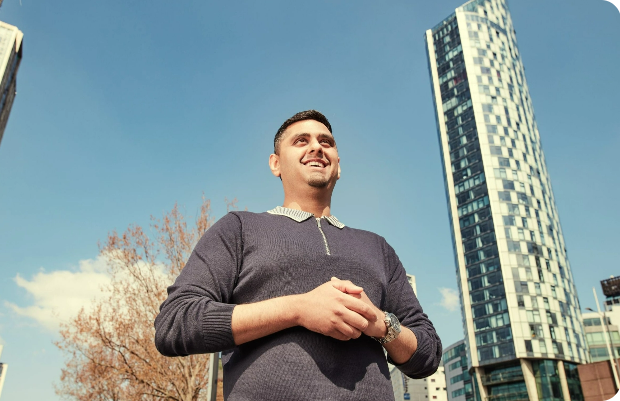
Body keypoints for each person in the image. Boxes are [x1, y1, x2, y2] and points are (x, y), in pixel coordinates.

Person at [155, 110, 442, 400]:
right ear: (275, 164)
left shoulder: (378, 247)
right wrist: (299, 310)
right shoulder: (238, 228)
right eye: (301, 141)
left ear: (339, 166)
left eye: (326, 142)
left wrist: (379, 323)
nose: (316, 147)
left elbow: (428, 354)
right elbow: (175, 322)